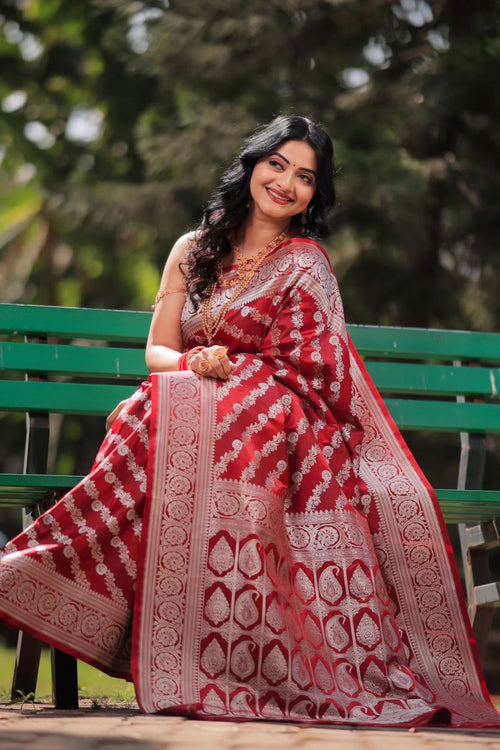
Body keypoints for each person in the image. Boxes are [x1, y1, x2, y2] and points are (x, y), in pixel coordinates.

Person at [0, 115, 498, 727]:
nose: (287, 183)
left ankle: (43, 567)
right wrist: (194, 363)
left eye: (306, 177)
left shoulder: (306, 263)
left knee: (157, 413)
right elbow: (155, 352)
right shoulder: (192, 249)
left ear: (315, 196)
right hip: (191, 406)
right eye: (278, 165)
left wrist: (232, 377)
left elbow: (313, 367)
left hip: (280, 422)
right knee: (151, 406)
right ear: (253, 165)